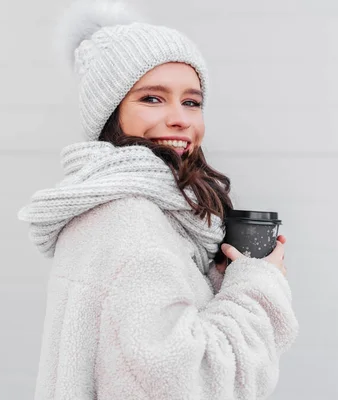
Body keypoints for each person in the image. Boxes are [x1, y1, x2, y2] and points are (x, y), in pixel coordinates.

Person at [18, 1, 299, 398]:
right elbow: (189, 381)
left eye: (191, 101)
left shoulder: (107, 203)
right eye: (152, 98)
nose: (181, 118)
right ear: (109, 113)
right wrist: (257, 284)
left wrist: (217, 277)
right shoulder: (131, 218)